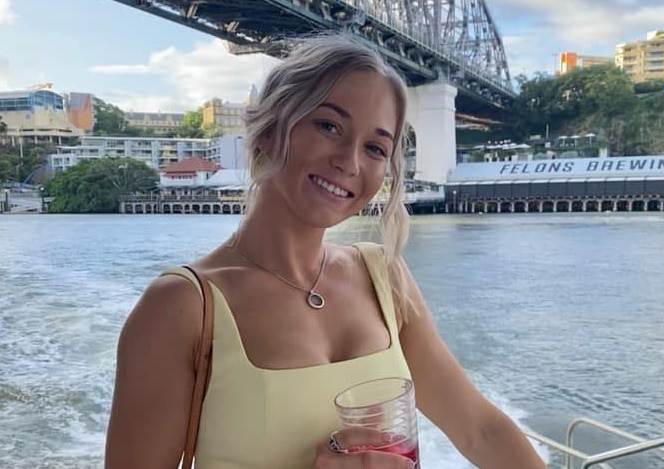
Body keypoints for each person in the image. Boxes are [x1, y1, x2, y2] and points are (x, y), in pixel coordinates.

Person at [105, 33, 547, 469]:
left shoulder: (384, 276)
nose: (350, 162)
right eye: (329, 126)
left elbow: (479, 430)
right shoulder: (181, 307)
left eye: (375, 148)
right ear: (269, 130)